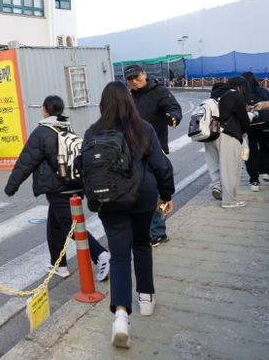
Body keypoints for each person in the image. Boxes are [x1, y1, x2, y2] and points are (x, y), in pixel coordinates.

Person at [83, 81, 174, 348]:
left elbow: (85, 168)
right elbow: (161, 165)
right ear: (129, 102)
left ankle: (121, 316)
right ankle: (146, 299)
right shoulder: (142, 128)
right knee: (142, 244)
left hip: (109, 201)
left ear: (103, 104)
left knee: (119, 255)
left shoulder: (92, 131)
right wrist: (166, 195)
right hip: (142, 198)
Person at [5, 95, 110, 280]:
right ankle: (58, 264)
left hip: (58, 188)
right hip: (74, 183)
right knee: (54, 227)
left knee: (71, 226)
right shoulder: (66, 128)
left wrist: (11, 187)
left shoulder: (42, 132)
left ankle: (101, 255)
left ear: (45, 110)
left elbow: (26, 161)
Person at [124, 64, 182, 247]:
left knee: (155, 189)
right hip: (133, 151)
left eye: (137, 77)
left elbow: (173, 107)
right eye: (130, 79)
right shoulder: (129, 96)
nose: (134, 81)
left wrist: (173, 117)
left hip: (155, 149)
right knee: (138, 190)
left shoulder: (159, 91)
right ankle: (143, 229)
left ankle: (158, 232)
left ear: (144, 74)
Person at [204, 77, 251, 208]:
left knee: (214, 163)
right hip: (227, 134)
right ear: (240, 86)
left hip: (211, 133)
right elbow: (243, 119)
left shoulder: (216, 93)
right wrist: (245, 129)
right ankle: (229, 201)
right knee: (230, 168)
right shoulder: (235, 94)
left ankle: (217, 186)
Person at [241, 72, 269, 191]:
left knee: (251, 152)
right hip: (265, 124)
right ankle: (265, 171)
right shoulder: (262, 91)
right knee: (265, 148)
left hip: (249, 126)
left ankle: (254, 181)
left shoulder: (242, 94)